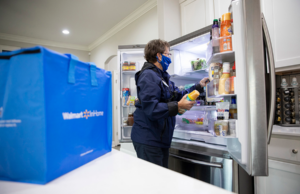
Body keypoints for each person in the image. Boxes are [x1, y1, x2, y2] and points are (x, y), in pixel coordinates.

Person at [131, 39, 209, 168]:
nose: (170, 58)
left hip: (160, 139)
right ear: (159, 55)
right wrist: (178, 106)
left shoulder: (162, 77)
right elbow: (152, 108)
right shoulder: (148, 76)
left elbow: (178, 95)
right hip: (148, 138)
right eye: (168, 54)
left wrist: (199, 86)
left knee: (161, 180)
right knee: (154, 181)